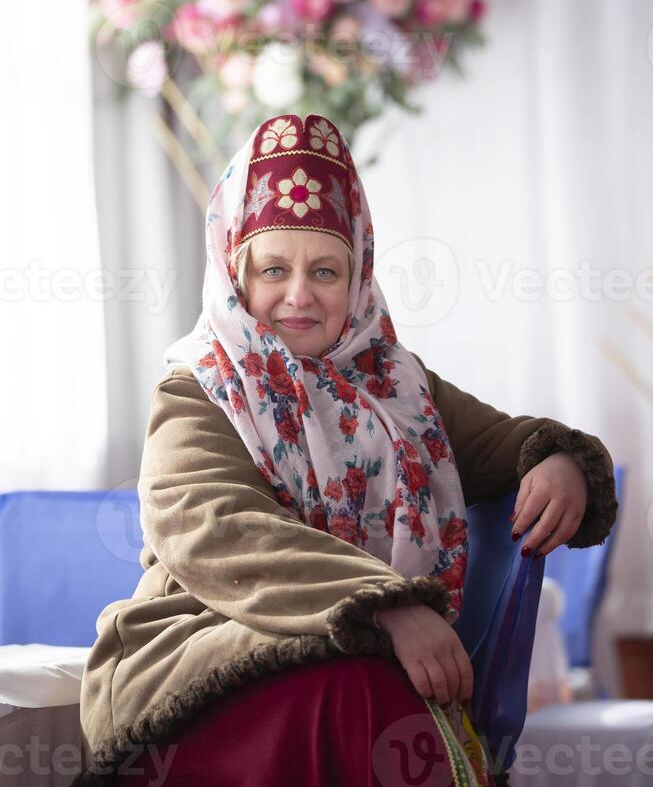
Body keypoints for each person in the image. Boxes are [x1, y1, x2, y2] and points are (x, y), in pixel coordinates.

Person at [73, 113, 618, 787]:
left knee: (379, 697)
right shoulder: (199, 387)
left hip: (363, 655)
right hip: (205, 655)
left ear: (358, 276)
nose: (298, 295)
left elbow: (507, 443)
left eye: (325, 270)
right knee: (366, 700)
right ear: (235, 273)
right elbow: (218, 531)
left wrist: (559, 459)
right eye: (273, 268)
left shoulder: (393, 383)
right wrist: (384, 603)